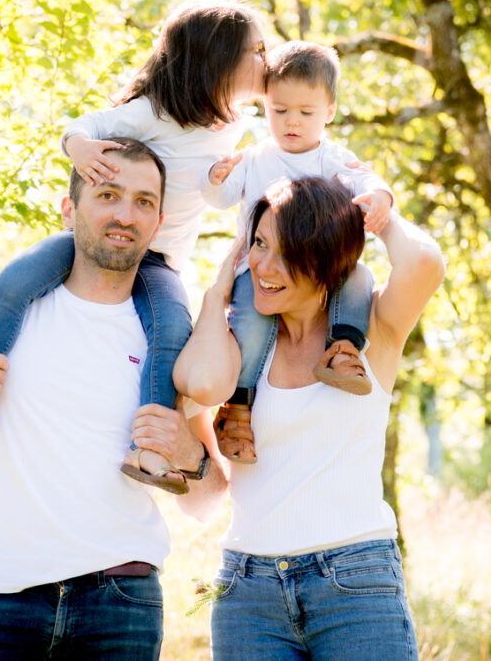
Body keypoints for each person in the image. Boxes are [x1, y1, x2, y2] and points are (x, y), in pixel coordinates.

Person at [0, 139, 226, 659]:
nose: (125, 214)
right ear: (69, 209)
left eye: (143, 201)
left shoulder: (173, 338)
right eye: (107, 193)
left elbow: (208, 500)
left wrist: (189, 453)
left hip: (121, 603)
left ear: (159, 223)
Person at [0, 0, 265, 493]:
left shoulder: (236, 127)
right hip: (94, 245)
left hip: (158, 260)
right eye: (256, 51)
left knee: (169, 332)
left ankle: (150, 446)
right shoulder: (153, 113)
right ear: (217, 59)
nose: (265, 62)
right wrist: (80, 150)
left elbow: (227, 188)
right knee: (13, 284)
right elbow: (84, 128)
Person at [174, 176, 444, 659]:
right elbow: (201, 502)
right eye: (259, 243)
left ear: (326, 260)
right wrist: (216, 298)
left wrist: (378, 212)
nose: (264, 266)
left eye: (289, 252)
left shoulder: (369, 335)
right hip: (246, 592)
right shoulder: (237, 353)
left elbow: (424, 262)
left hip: (354, 585)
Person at [201, 40, 395, 464]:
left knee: (360, 277)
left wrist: (379, 196)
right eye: (279, 111)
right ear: (265, 106)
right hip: (262, 273)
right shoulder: (255, 159)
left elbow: (365, 180)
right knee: (249, 324)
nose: (291, 122)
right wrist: (214, 180)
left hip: (321, 269)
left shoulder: (332, 158)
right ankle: (238, 403)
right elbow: (219, 198)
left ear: (329, 111)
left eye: (306, 113)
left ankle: (343, 349)